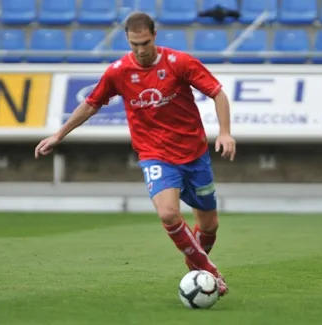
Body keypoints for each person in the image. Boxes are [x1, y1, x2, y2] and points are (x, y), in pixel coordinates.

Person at [34, 12, 236, 297]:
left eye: (144, 43)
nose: (140, 50)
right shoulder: (118, 71)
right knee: (168, 214)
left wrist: (225, 132)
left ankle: (197, 267)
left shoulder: (180, 63)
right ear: (127, 40)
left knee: (209, 226)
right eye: (134, 44)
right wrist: (59, 134)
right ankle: (210, 273)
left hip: (194, 153)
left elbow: (217, 93)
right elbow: (91, 104)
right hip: (155, 154)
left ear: (154, 35)